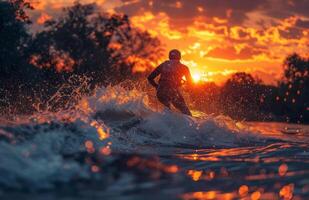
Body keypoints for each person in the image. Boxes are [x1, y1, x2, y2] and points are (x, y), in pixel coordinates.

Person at [147, 49, 193, 116]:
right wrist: (183, 85)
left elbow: (150, 78)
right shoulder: (184, 68)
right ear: (180, 57)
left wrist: (157, 87)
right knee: (186, 113)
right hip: (173, 92)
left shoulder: (163, 65)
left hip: (160, 92)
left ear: (169, 57)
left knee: (168, 111)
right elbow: (190, 84)